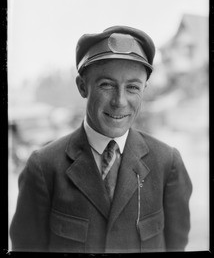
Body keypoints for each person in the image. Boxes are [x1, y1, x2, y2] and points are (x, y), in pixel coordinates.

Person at [10, 25, 192, 253]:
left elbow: (177, 246)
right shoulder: (44, 167)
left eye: (133, 88)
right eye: (106, 85)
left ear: (145, 89)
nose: (120, 101)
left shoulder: (168, 163)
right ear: (82, 86)